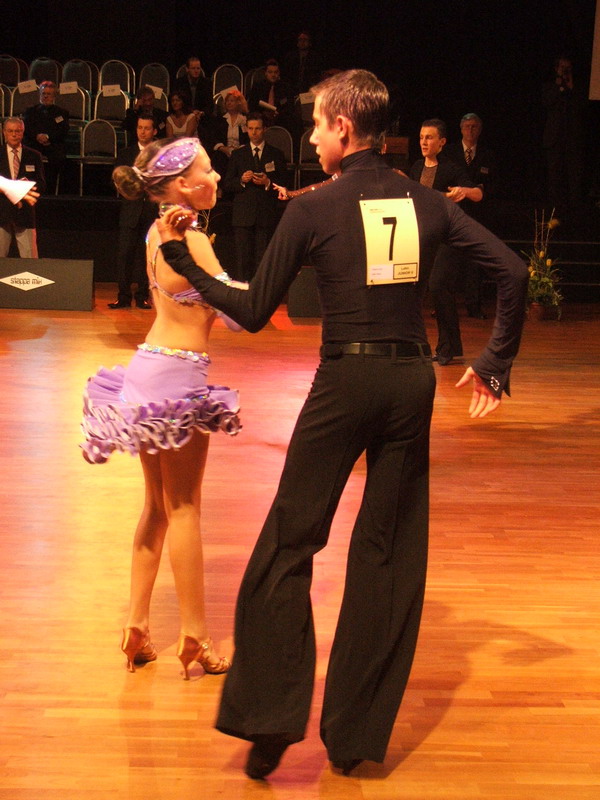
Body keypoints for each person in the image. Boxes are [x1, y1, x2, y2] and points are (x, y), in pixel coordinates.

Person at [158, 69, 528, 778]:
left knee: (288, 545)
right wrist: (495, 361)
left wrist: (184, 262)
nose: (313, 136)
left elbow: (252, 310)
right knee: (388, 554)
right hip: (410, 382)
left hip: (345, 382)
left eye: (319, 124)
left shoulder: (314, 207)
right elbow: (511, 272)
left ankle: (269, 722)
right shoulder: (426, 201)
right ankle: (355, 738)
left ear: (345, 129)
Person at [82, 137, 246, 679]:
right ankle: (195, 636)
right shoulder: (191, 240)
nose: (216, 178)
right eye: (208, 170)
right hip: (177, 376)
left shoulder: (157, 230)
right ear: (181, 185)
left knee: (155, 506)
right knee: (185, 507)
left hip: (147, 367)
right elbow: (238, 315)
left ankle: (136, 628)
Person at [409, 119, 483, 364]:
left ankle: (447, 347)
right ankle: (423, 346)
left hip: (446, 239)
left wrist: (463, 191)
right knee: (417, 291)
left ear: (441, 142)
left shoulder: (451, 169)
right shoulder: (416, 167)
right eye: (421, 137)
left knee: (439, 285)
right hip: (421, 237)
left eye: (429, 137)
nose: (423, 142)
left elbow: (477, 193)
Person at [442, 112, 497, 319]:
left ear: (480, 130)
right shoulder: (448, 153)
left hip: (477, 216)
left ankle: (474, 306)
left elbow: (493, 185)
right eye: (467, 126)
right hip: (453, 214)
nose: (470, 130)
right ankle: (443, 307)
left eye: (474, 126)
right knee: (448, 263)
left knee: (475, 264)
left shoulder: (488, 155)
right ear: (461, 129)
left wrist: (478, 191)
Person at [222, 112, 287, 281]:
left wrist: (267, 182)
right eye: (251, 129)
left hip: (265, 214)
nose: (254, 132)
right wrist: (242, 181)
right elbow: (227, 183)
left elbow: (284, 184)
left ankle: (261, 291)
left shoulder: (276, 154)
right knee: (243, 259)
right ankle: (243, 290)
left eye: (257, 128)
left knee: (263, 259)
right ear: (246, 129)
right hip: (243, 214)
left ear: (264, 129)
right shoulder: (238, 154)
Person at [109, 114, 159, 309]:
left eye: (147, 128)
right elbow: (116, 180)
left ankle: (142, 296)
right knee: (125, 256)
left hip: (151, 212)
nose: (143, 132)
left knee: (147, 257)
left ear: (154, 131)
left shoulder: (159, 155)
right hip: (130, 212)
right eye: (140, 128)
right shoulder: (126, 154)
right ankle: (123, 296)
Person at [542, 55, 586, 214]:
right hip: (554, 139)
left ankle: (575, 209)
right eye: (562, 68)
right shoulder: (550, 87)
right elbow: (547, 102)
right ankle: (555, 208)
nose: (565, 71)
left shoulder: (578, 88)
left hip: (573, 139)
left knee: (574, 175)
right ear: (556, 69)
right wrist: (559, 86)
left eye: (568, 68)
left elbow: (582, 107)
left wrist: (571, 86)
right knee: (554, 176)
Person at [0, 117, 45, 258]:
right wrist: (13, 188)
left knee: (30, 260)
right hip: (2, 212)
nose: (14, 134)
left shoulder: (34, 155)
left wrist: (25, 186)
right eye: (10, 131)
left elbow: (41, 184)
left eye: (18, 131)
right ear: (4, 132)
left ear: (23, 132)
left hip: (25, 214)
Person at [23, 81, 69, 194]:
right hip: (34, 143)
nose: (46, 96)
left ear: (54, 96)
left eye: (49, 94)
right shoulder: (30, 111)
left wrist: (48, 137)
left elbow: (63, 131)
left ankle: (52, 191)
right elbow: (27, 128)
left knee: (59, 158)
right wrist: (37, 136)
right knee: (27, 155)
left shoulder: (62, 112)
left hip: (52, 144)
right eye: (43, 93)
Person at [209, 90, 249, 177]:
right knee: (218, 157)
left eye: (232, 101)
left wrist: (238, 150)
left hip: (241, 150)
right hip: (224, 151)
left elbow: (247, 138)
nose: (229, 103)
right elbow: (214, 137)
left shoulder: (245, 119)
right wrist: (224, 148)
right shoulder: (220, 119)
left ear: (238, 103)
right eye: (227, 101)